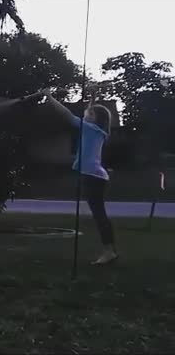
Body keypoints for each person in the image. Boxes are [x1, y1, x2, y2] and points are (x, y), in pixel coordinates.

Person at [41, 88, 117, 265]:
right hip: (94, 175)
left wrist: (49, 97)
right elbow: (92, 112)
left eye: (88, 112)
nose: (85, 114)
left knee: (99, 215)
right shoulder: (97, 130)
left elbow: (67, 115)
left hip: (93, 176)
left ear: (94, 118)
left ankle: (109, 251)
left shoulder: (90, 129)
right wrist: (92, 99)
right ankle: (110, 250)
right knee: (100, 214)